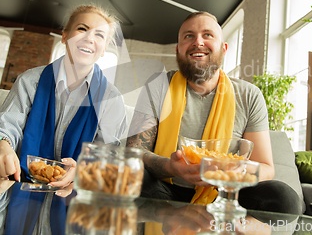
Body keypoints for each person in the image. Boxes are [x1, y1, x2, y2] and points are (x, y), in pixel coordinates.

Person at [0, 5, 128, 234]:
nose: (89, 38)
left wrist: (84, 172)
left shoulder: (112, 99)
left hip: (75, 205)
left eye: (99, 35)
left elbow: (109, 157)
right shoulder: (30, 81)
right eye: (82, 28)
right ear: (64, 36)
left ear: (104, 49)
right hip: (15, 192)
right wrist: (1, 144)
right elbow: (7, 124)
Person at [127, 11, 302, 214]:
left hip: (225, 193)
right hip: (165, 189)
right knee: (130, 176)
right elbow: (133, 152)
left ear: (223, 48)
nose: (198, 42)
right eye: (188, 36)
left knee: (284, 198)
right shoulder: (157, 86)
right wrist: (172, 168)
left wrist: (236, 170)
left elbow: (266, 167)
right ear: (177, 49)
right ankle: (178, 219)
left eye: (207, 35)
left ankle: (215, 220)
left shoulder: (249, 95)